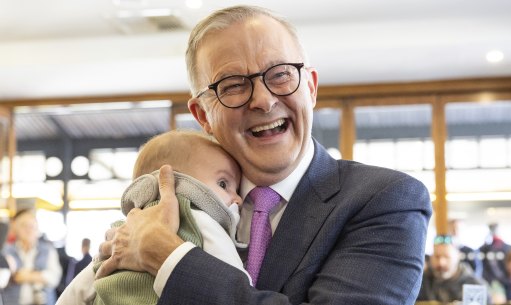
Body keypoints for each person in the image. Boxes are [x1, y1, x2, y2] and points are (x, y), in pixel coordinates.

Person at [95, 5, 432, 305]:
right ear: (202, 117)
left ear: (310, 87)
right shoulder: (175, 203)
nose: (263, 100)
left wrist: (167, 257)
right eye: (233, 85)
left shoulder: (386, 200)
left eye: (281, 74)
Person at [57, 130, 248, 305]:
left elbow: (78, 289)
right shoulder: (199, 219)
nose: (238, 199)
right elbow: (233, 277)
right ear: (178, 182)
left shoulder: (124, 229)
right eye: (223, 184)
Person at [2, 209, 62, 305]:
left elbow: (54, 278)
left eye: (32, 226)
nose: (28, 229)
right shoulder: (6, 250)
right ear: (16, 228)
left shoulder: (48, 250)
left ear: (37, 228)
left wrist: (28, 276)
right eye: (24, 226)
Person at [417, 235, 490, 303]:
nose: (441, 263)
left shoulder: (475, 286)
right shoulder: (420, 282)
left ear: (458, 256)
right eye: (437, 256)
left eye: (447, 257)